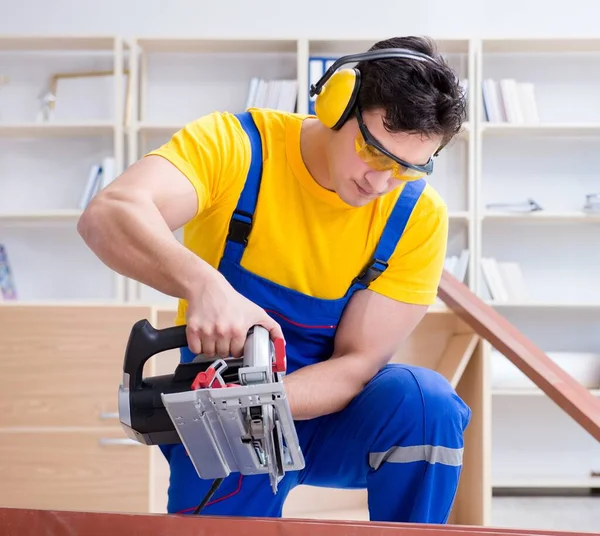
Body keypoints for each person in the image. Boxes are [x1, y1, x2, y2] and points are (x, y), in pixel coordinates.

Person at [78, 35, 471, 524]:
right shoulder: (237, 147)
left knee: (425, 404)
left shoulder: (417, 215)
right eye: (373, 152)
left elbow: (357, 364)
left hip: (330, 415)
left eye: (406, 168)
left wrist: (266, 402)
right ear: (337, 104)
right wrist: (204, 285)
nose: (380, 182)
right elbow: (108, 215)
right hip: (223, 413)